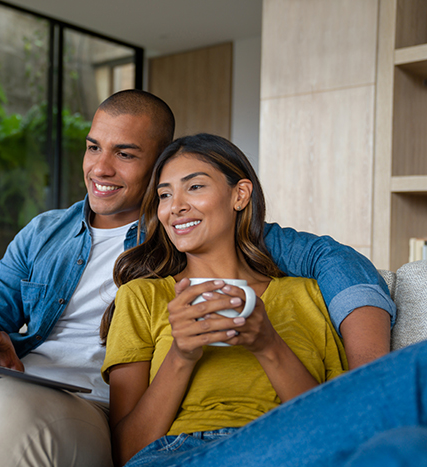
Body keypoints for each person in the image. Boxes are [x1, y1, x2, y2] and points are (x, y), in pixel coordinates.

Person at [0, 90, 394, 467]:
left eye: (126, 154)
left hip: (90, 413)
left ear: (164, 163)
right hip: (16, 387)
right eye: (93, 146)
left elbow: (327, 259)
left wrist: (369, 373)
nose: (100, 168)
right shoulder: (46, 231)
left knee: (8, 409)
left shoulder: (188, 232)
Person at [101, 133, 426, 467]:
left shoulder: (307, 294)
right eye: (164, 195)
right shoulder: (142, 296)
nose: (176, 206)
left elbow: (335, 419)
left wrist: (268, 344)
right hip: (180, 455)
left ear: (240, 195)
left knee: (407, 445)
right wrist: (181, 355)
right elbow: (127, 452)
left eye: (194, 187)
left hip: (290, 448)